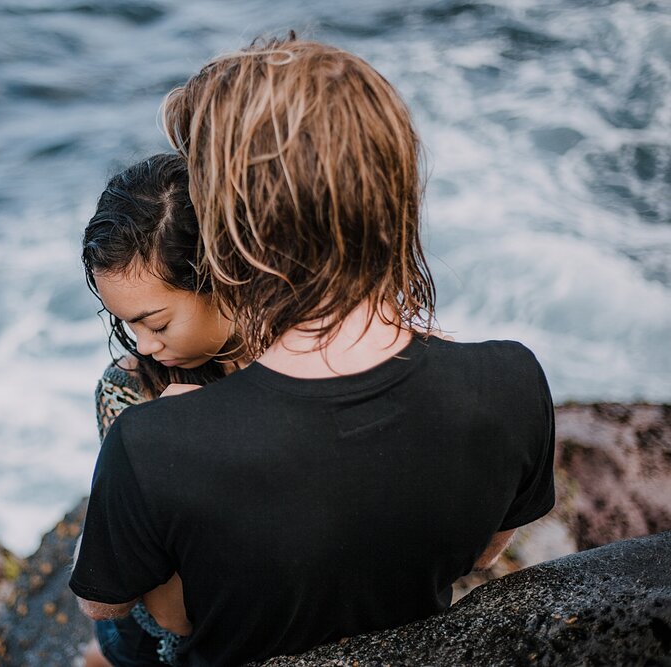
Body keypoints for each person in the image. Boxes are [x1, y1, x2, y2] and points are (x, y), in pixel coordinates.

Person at [70, 36, 555, 667]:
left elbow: (156, 614)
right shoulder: (512, 382)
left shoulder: (157, 443)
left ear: (240, 243)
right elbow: (482, 554)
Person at [81, 153, 242, 666]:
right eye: (128, 325)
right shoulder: (129, 391)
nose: (143, 347)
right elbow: (169, 608)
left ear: (223, 276)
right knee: (121, 648)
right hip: (162, 625)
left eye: (157, 323)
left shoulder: (310, 357)